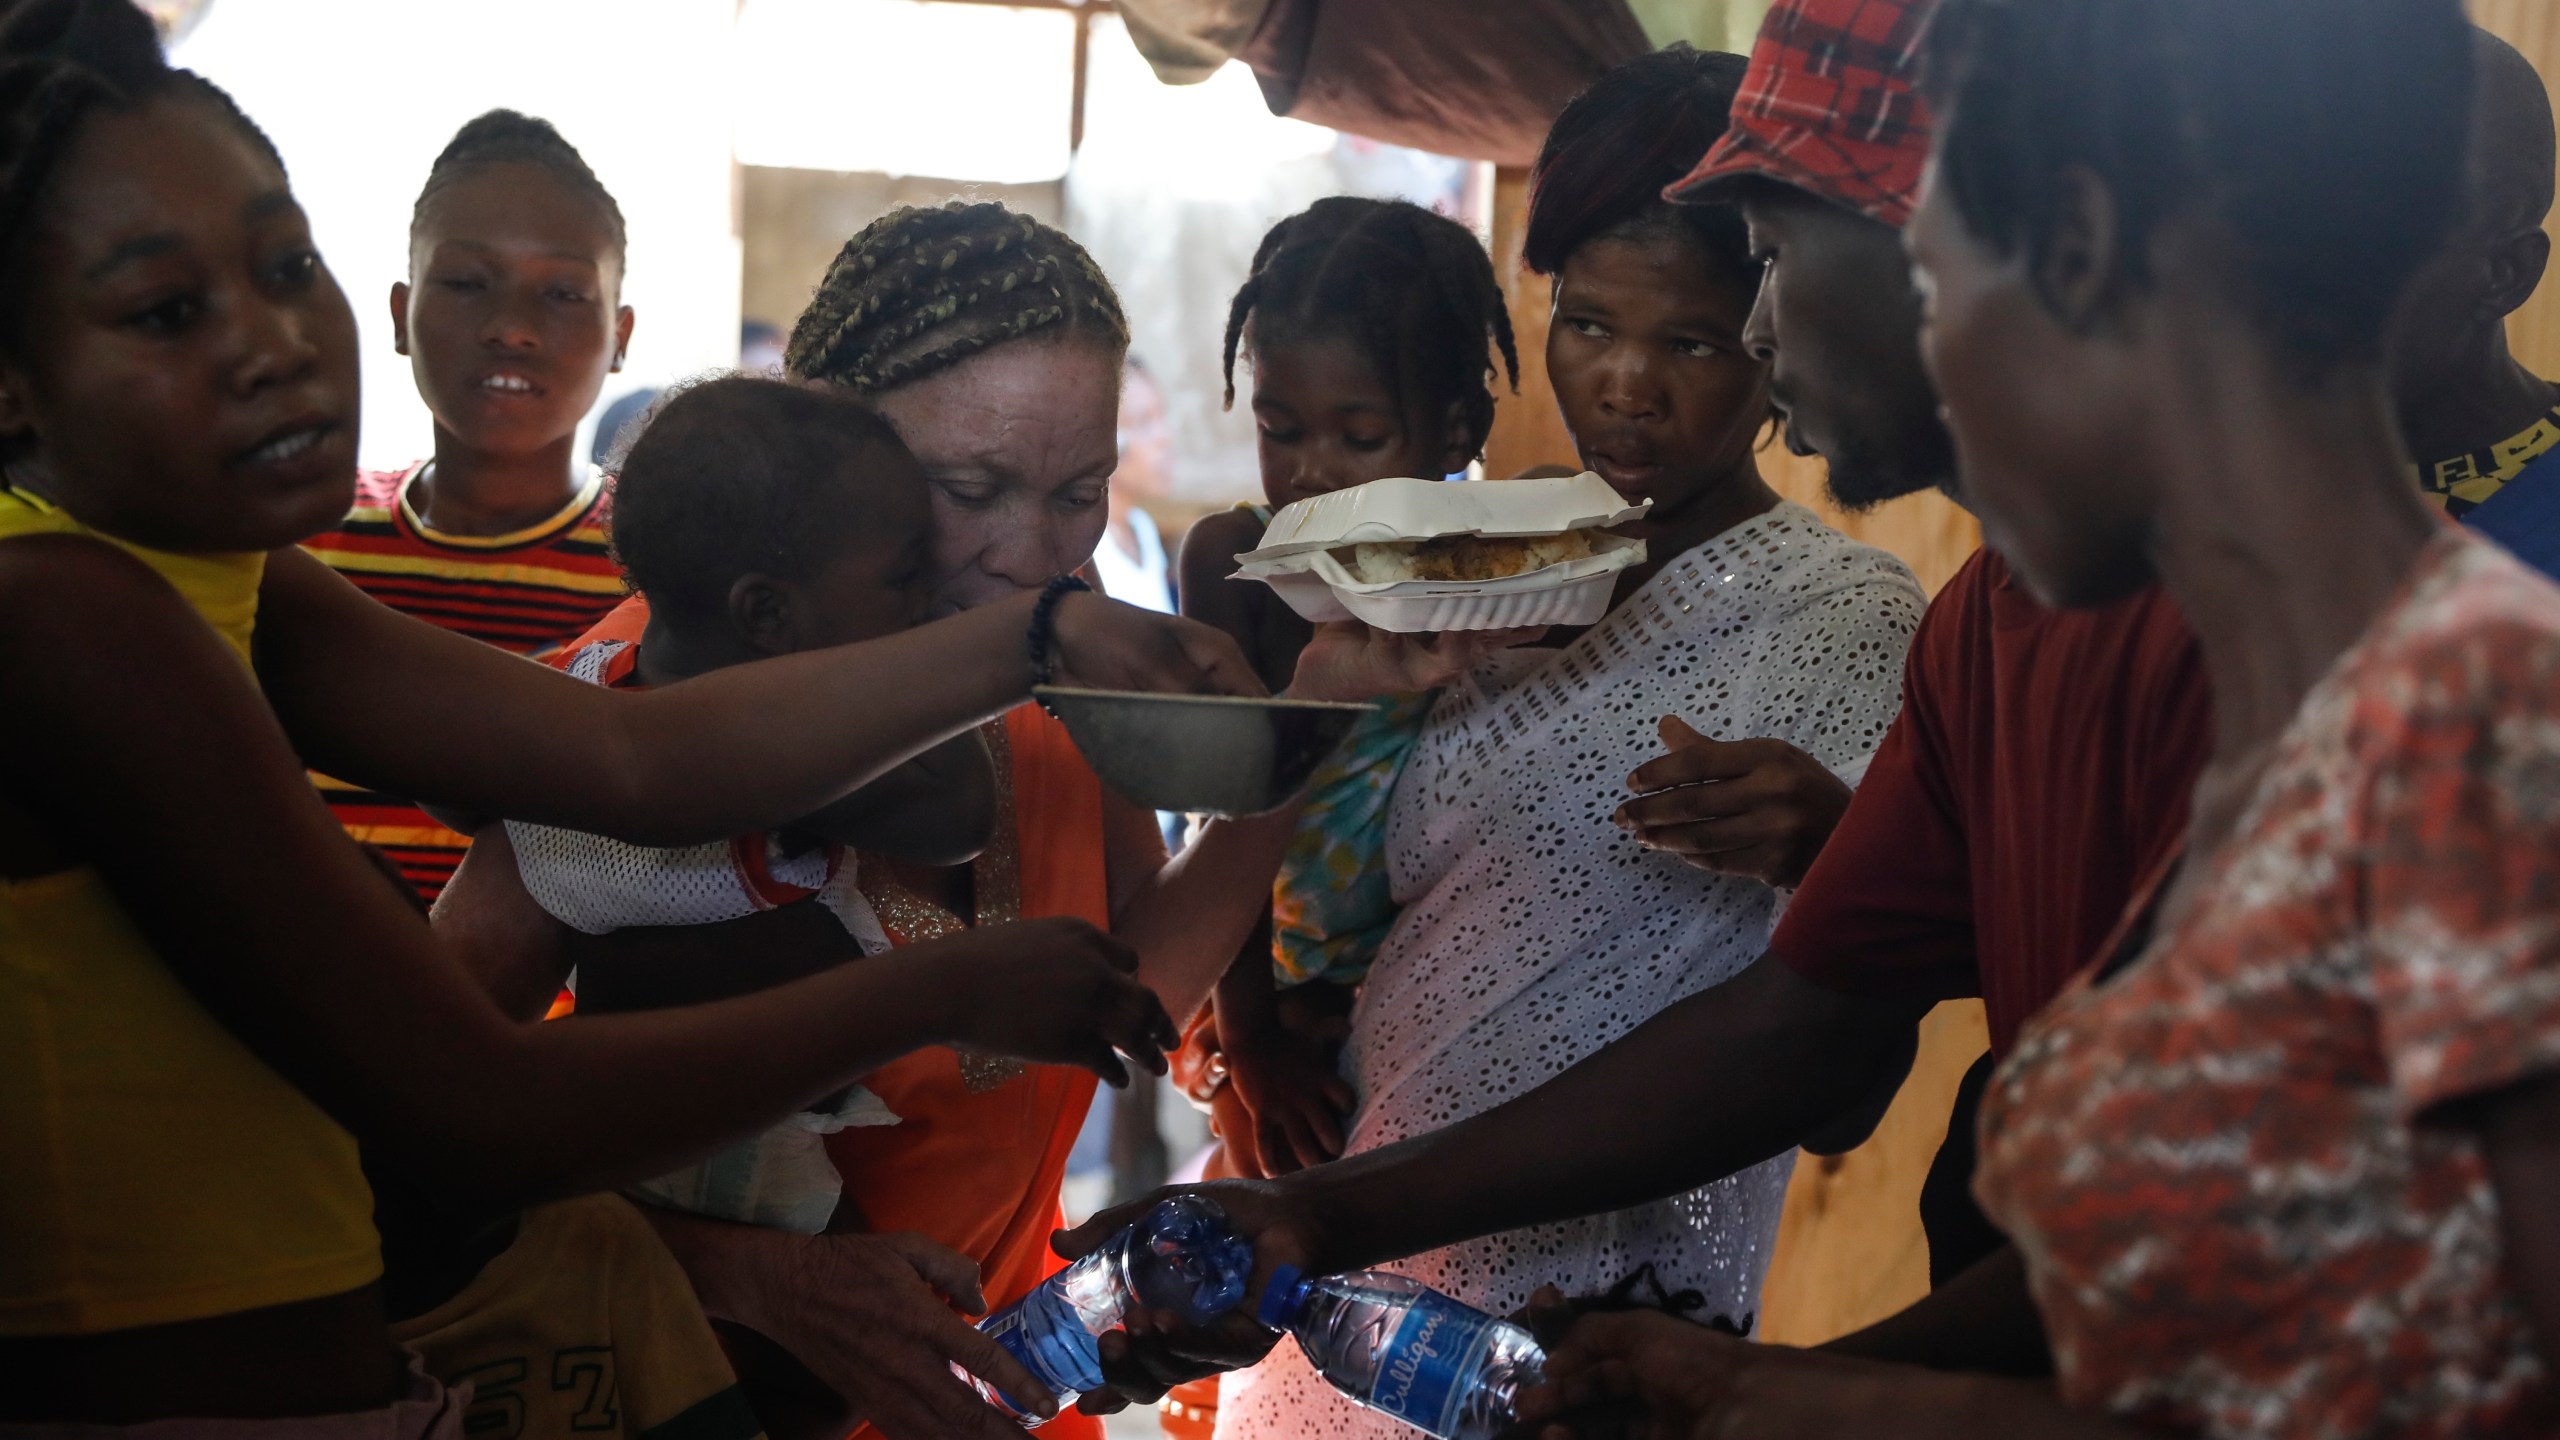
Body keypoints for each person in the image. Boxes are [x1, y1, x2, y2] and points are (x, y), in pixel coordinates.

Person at [1064, 0, 2560, 1395]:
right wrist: (1324, 1219)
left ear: (2066, 249)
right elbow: (1832, 1048)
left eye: (1771, 261)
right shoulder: (2024, 620)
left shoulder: (2457, 721)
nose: (1762, 340)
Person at [0, 6, 1247, 1426]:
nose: (274, 342)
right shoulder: (72, 620)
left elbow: (635, 769)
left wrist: (1106, 671)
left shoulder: (238, 586)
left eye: (290, 266)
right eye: (169, 309)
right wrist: (930, 1000)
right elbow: (466, 1107)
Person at [1523, 1, 2560, 1435]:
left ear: (2076, 258)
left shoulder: (2481, 728)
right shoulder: (2306, 712)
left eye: (1943, 293)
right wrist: (1766, 1392)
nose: (1949, 386)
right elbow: (2248, 1333)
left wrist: (1792, 1404)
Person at [485, 201, 1510, 1440]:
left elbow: (1130, 983)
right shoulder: (651, 718)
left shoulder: (1065, 680)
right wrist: (757, 1278)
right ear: (822, 439)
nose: (1036, 558)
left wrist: (1320, 708)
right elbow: (420, 1120)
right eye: (969, 487)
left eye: (1080, 489)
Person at [1195, 53, 1927, 1440]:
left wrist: (1835, 855)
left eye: (1693, 343)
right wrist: (1247, 1047)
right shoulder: (1456, 569)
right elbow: (1326, 902)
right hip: (1335, 1276)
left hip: (1601, 1329)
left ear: (1773, 332)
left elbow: (1842, 1076)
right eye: (1587, 324)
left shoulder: (1843, 617)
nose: (1628, 387)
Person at [1179, 194, 1524, 1186]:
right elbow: (1223, 804)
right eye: (1278, 429)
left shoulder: (1495, 573)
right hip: (1261, 1001)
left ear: (1451, 431)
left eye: (1359, 438)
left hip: (1437, 1000)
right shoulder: (1233, 564)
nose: (1309, 475)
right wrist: (1248, 1042)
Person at [302, 111, 634, 902]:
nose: (512, 329)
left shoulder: (661, 572)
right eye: (465, 283)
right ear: (398, 316)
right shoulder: (300, 548)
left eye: (561, 292)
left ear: (620, 335)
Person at [1097, 354, 1176, 615]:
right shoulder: (1090, 550)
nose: (1163, 438)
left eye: (1160, 416)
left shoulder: (1142, 530)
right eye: (1143, 422)